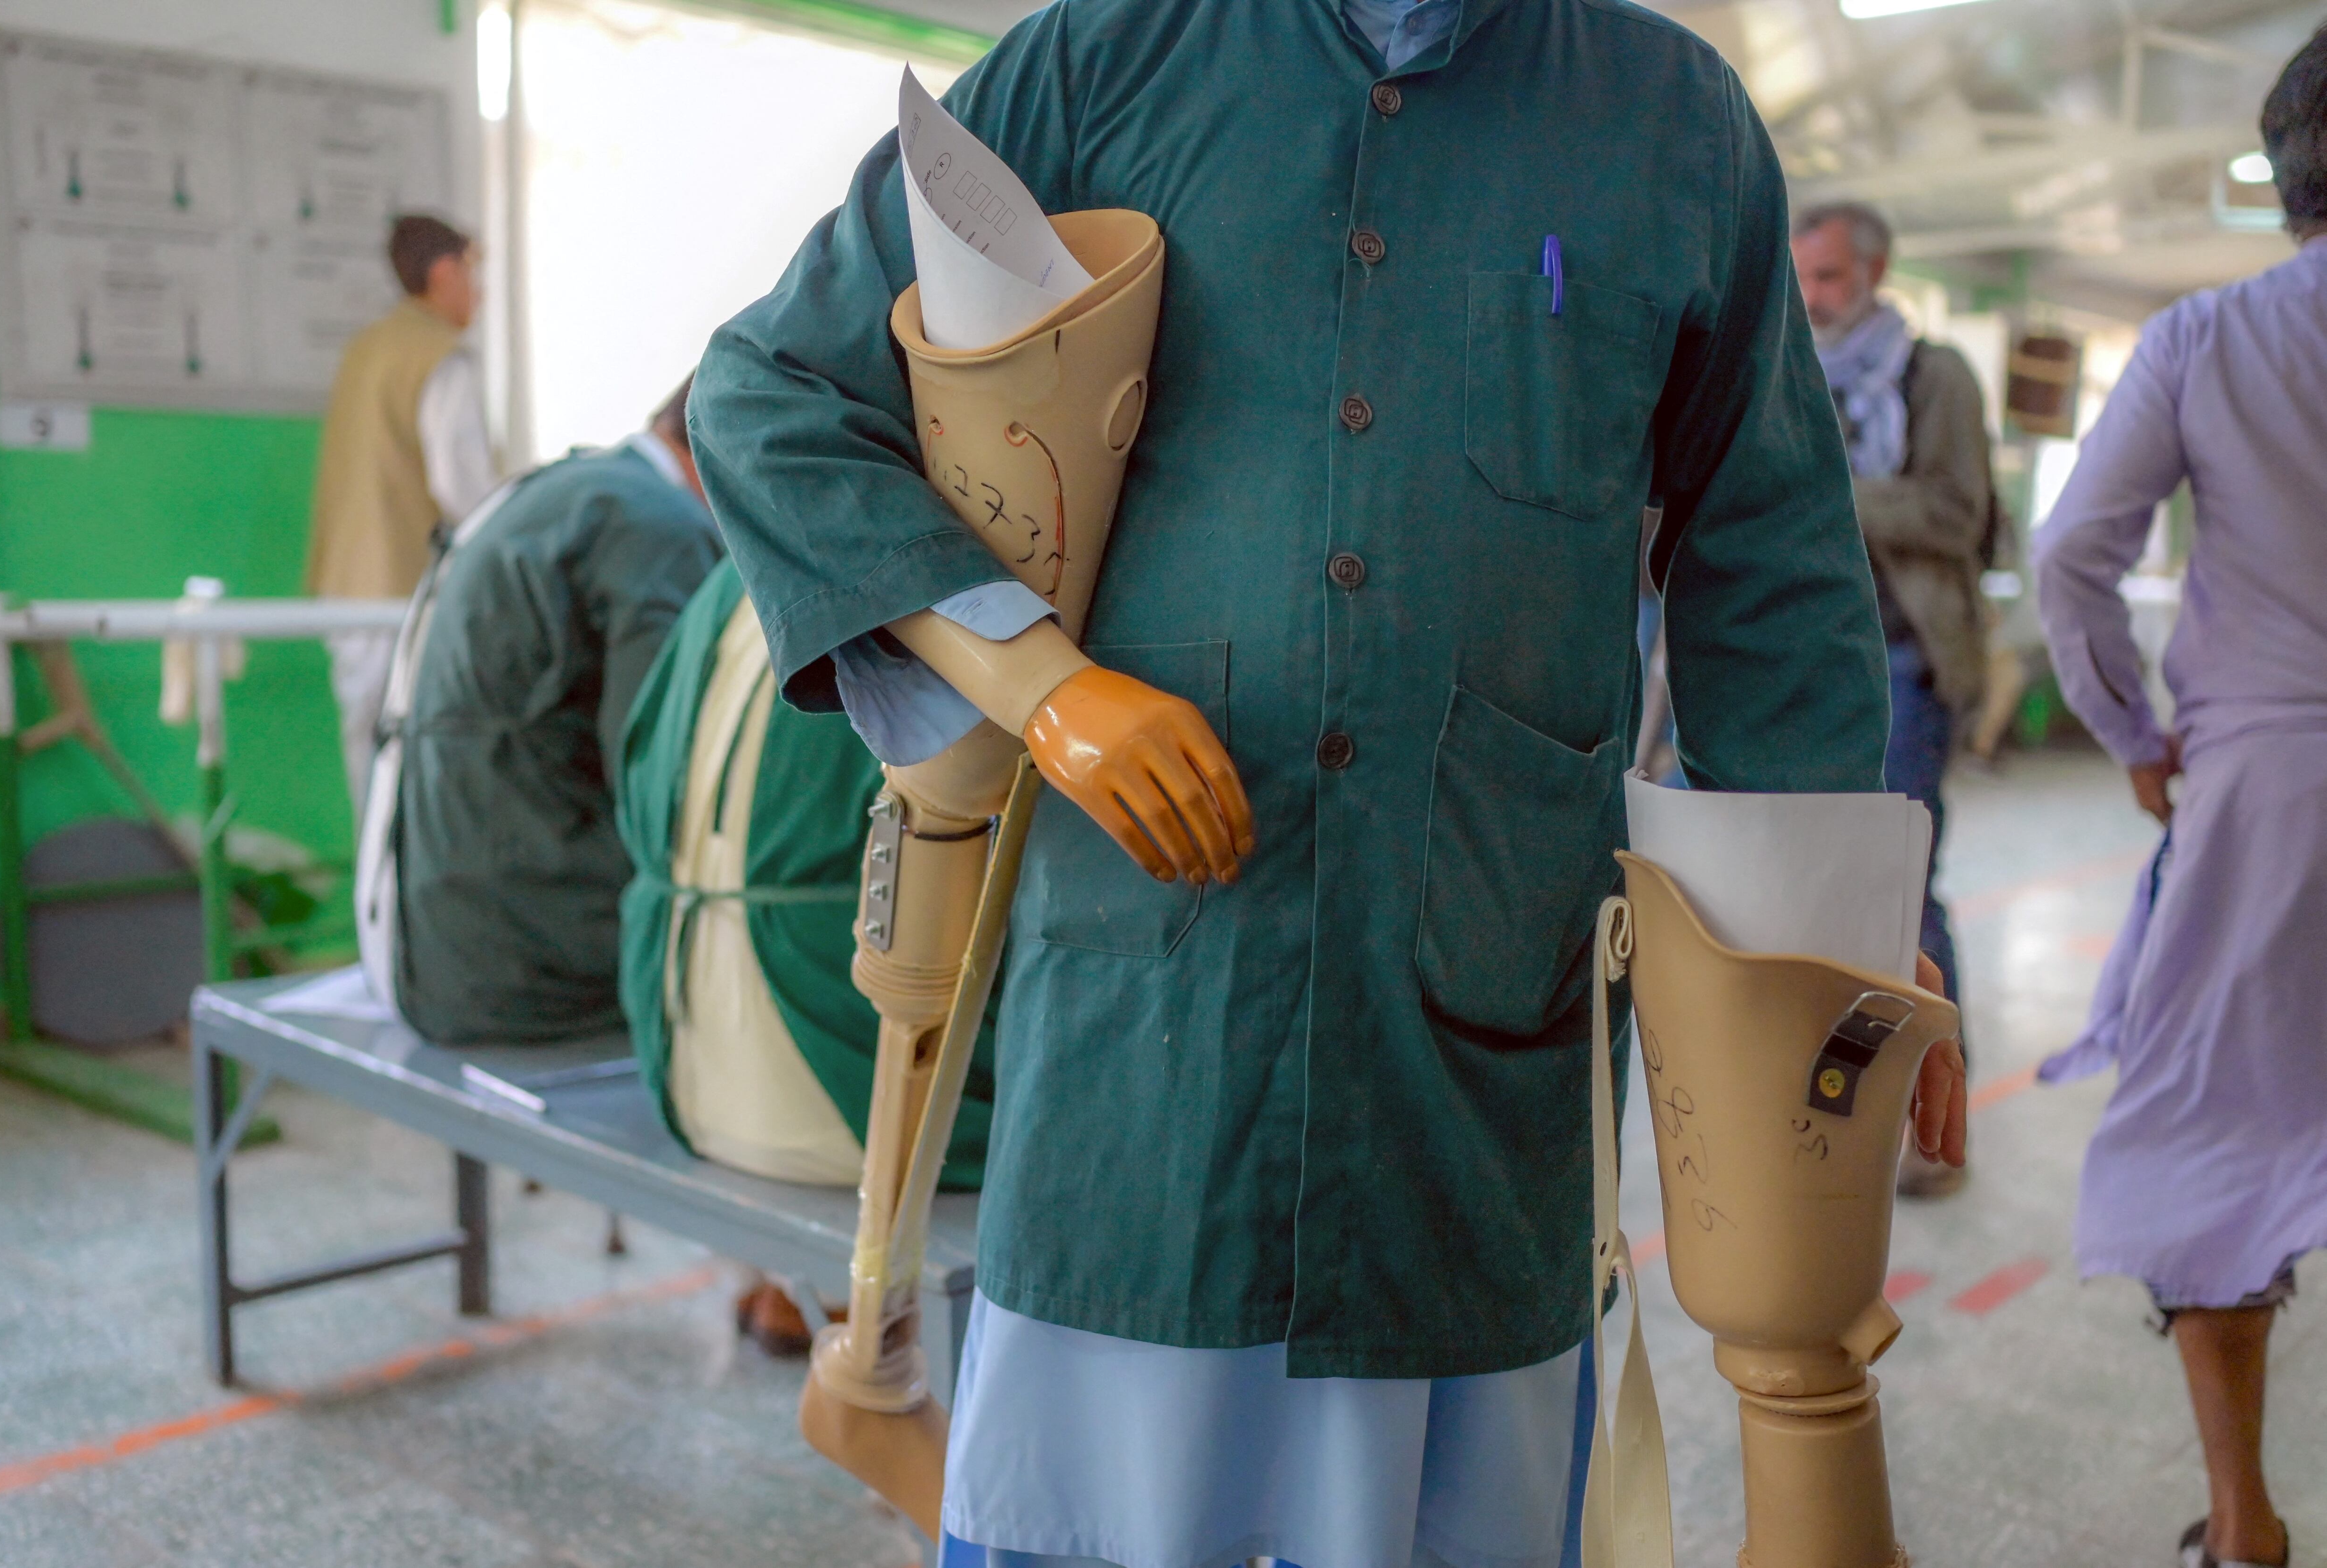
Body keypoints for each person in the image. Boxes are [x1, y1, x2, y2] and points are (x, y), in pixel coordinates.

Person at [693, 0, 1967, 1561]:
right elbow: (773, 393)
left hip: (1476, 1009)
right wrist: (1044, 682)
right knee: (1094, 1505)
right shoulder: (1100, 64)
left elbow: (1772, 569)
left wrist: (1832, 935)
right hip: (1154, 1016)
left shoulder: (1674, 121)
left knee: (1459, 1505)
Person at [2033, 27, 2327, 1568]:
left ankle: (2243, 1523)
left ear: (2283, 178)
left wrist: (2136, 733)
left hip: (2266, 794)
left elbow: (2069, 552)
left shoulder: (2209, 338)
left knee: (2221, 1141)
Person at [614, 557, 997, 1353]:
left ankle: (779, 1289)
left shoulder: (723, 580)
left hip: (680, 1060)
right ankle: (842, 1306)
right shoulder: (930, 566)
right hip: (846, 1106)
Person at [389, 380, 719, 1044]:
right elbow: (662, 779)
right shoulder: (660, 526)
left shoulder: (569, 490)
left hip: (441, 943)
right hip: (539, 965)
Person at [1792, 199, 1997, 1199]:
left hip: (1907, 665)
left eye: (1829, 277)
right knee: (1810, 897)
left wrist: (1824, 484)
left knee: (1906, 895)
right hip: (1809, 672)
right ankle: (1840, 1114)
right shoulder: (1788, 373)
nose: (1812, 297)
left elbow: (1958, 512)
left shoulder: (1931, 375)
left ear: (1875, 272)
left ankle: (1934, 1125)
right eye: (1801, 277)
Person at [306, 214, 500, 817]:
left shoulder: (365, 349)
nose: (479, 292)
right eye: (472, 273)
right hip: (404, 584)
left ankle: (376, 877)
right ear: (443, 273)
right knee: (415, 749)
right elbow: (463, 486)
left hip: (346, 582)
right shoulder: (441, 358)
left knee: (365, 746)